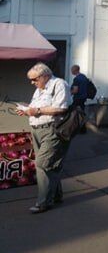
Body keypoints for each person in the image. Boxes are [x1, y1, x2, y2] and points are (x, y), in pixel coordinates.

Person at [16, 62, 72, 214]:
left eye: (35, 79)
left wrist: (37, 111)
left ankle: (43, 203)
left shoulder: (59, 84)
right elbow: (37, 108)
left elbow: (61, 108)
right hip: (37, 130)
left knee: (42, 164)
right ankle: (56, 195)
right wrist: (27, 110)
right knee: (51, 164)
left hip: (52, 130)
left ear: (45, 76)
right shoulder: (39, 89)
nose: (32, 82)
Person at [70, 65, 89, 133]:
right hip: (83, 98)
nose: (71, 71)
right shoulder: (84, 77)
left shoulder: (76, 79)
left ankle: (76, 129)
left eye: (72, 70)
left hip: (78, 98)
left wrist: (69, 93)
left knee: (73, 113)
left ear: (74, 70)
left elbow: (75, 90)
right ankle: (83, 129)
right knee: (81, 113)